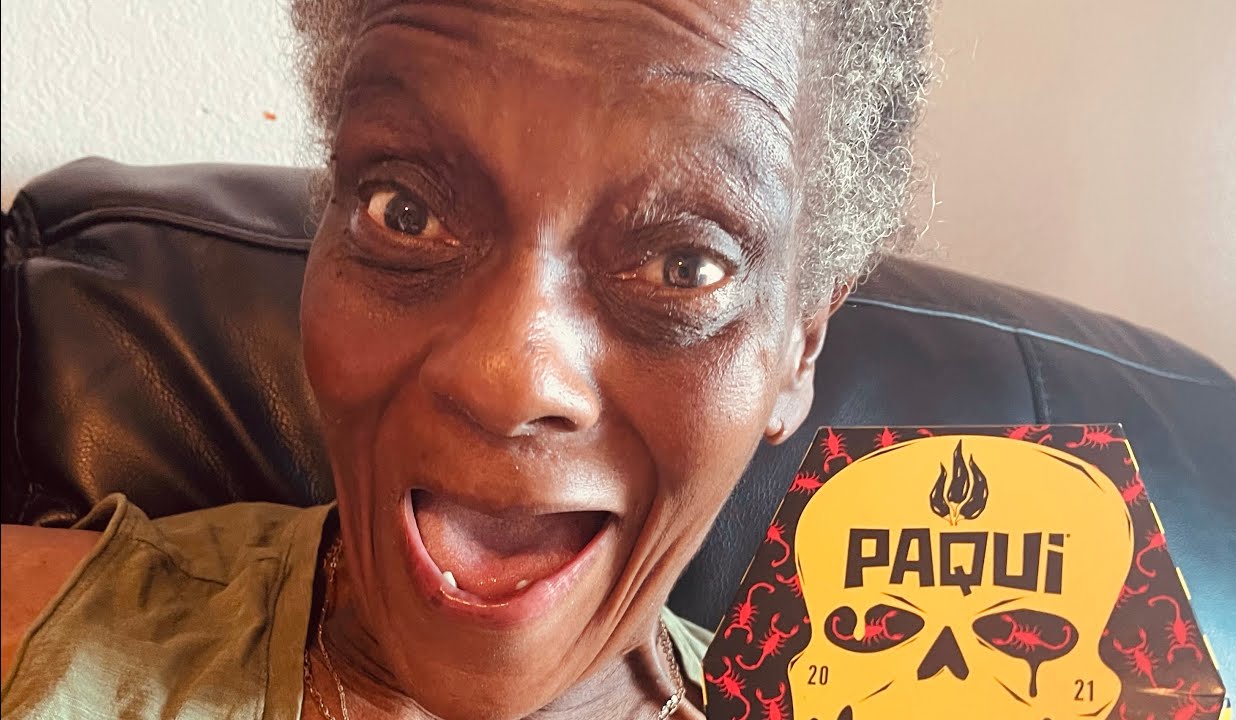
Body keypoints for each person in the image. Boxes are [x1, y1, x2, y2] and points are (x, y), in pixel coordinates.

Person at [0, 0, 932, 717]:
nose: (508, 378)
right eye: (405, 212)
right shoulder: (35, 634)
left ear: (800, 346)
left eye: (683, 265)